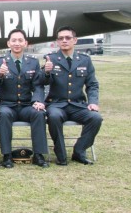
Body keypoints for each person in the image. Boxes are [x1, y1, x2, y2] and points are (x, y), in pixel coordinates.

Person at [0, 29, 50, 168]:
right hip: (6, 104)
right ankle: (7, 155)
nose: (17, 43)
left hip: (26, 105)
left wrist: (38, 101)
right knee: (3, 115)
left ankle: (39, 155)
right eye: (14, 40)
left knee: (39, 113)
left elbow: (38, 85)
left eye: (20, 40)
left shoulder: (33, 62)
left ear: (26, 43)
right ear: (8, 43)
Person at [44, 26, 102, 165]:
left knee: (96, 118)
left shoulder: (84, 60)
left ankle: (79, 151)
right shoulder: (50, 59)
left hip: (77, 105)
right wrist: (46, 72)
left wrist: (93, 102)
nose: (64, 41)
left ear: (74, 40)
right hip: (56, 104)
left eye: (68, 38)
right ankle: (61, 154)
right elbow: (42, 83)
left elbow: (92, 84)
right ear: (57, 41)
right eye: (61, 38)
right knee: (54, 117)